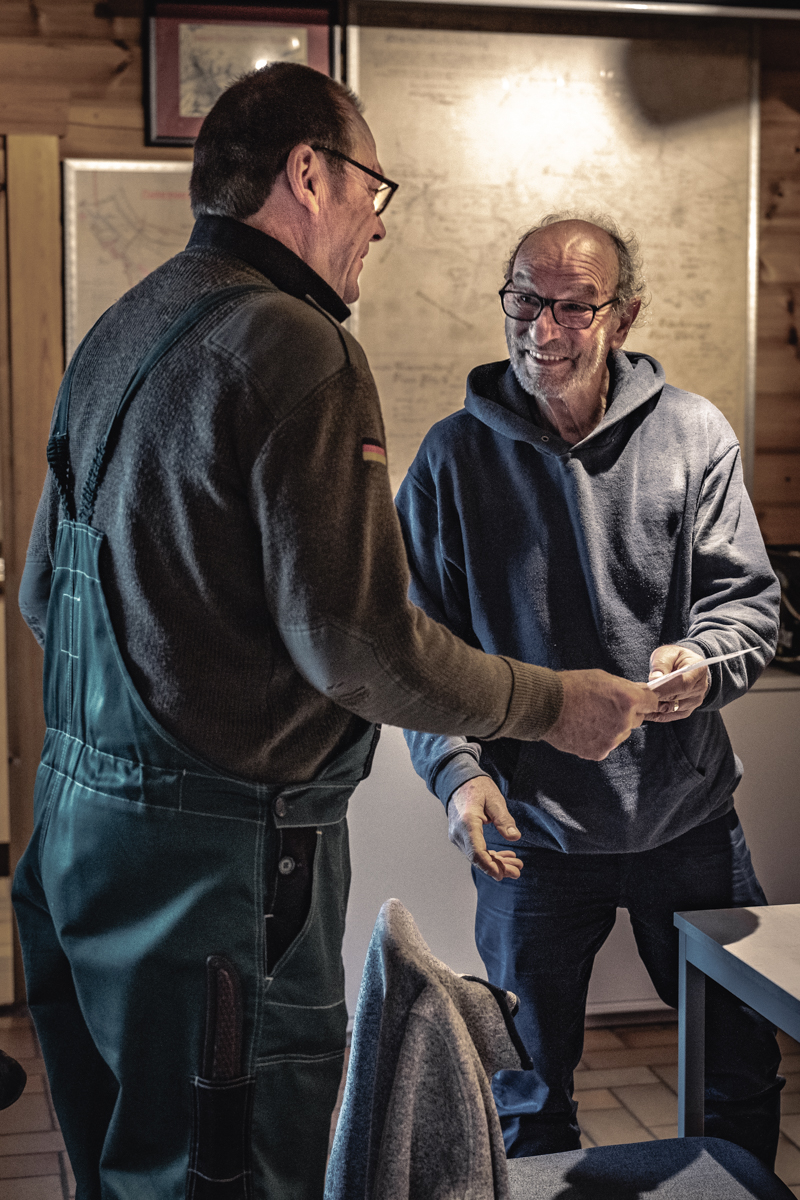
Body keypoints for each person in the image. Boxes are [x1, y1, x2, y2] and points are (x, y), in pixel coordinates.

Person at [12, 73, 659, 1199]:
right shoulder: (299, 345)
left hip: (74, 841)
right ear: (307, 175)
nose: (379, 221)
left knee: (124, 1168)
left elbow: (38, 594)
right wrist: (552, 704)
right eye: (372, 187)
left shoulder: (125, 326)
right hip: (219, 882)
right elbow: (363, 650)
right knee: (233, 1175)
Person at [397, 214, 784, 1168]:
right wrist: (457, 773)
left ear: (624, 316)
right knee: (526, 1090)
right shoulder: (450, 459)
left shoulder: (693, 433)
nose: (544, 329)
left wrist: (706, 662)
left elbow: (747, 606)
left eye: (575, 307)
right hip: (531, 834)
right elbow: (418, 649)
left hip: (688, 821)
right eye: (525, 300)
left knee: (737, 1067)